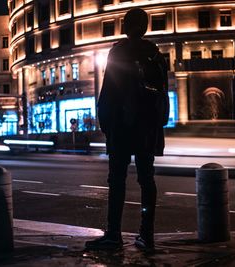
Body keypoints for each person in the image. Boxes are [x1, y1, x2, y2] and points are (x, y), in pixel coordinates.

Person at [85, 8, 169, 251]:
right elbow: (162, 92)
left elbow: (109, 91)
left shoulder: (118, 51)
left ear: (126, 25)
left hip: (122, 126)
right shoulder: (155, 53)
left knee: (117, 180)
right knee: (147, 179)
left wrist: (107, 124)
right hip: (148, 128)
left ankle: (113, 234)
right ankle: (146, 234)